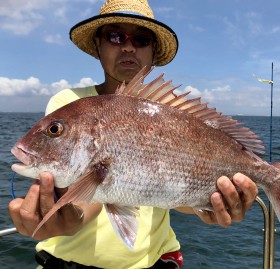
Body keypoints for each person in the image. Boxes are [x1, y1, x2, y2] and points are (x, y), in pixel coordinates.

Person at [8, 0, 258, 268]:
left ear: (152, 51)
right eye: (115, 36)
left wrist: (210, 206)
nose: (127, 46)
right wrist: (73, 219)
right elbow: (89, 196)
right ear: (98, 46)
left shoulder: (171, 110)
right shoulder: (69, 104)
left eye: (140, 39)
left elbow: (172, 195)